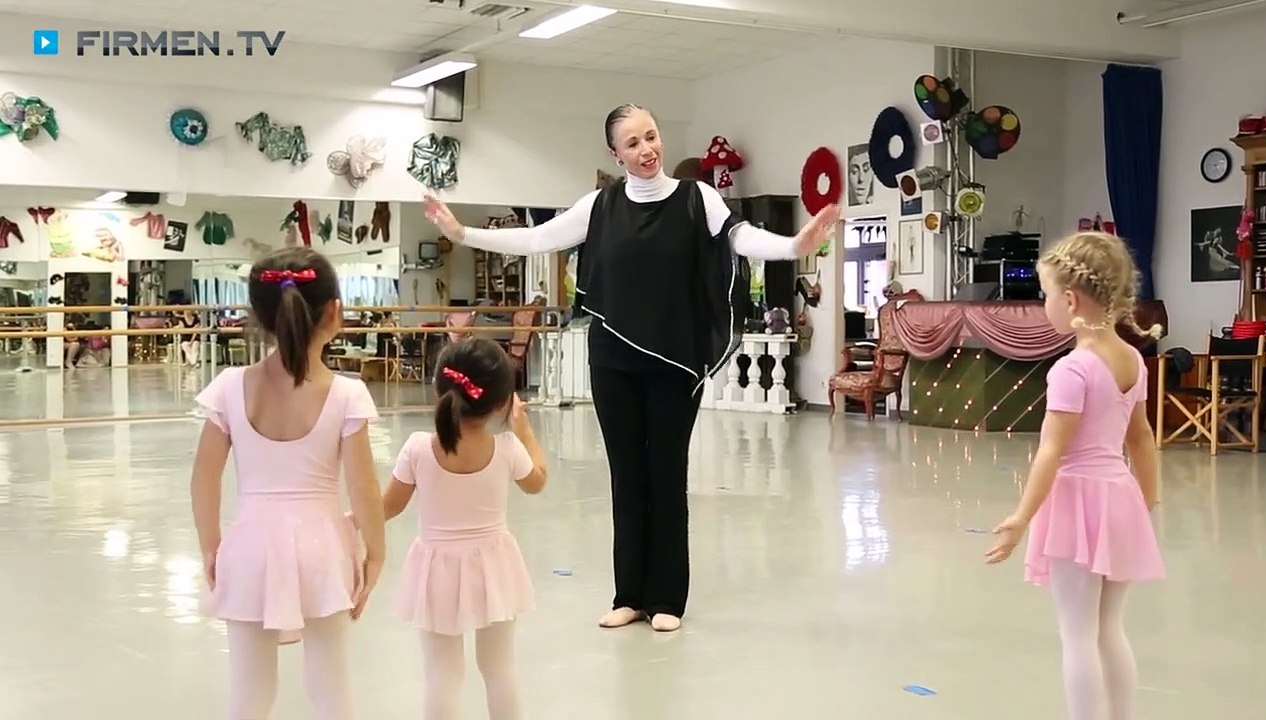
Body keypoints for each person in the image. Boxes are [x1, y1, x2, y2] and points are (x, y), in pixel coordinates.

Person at [424, 103, 839, 633]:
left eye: (651, 137)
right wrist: (463, 234)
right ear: (615, 154)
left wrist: (794, 245)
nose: (647, 150)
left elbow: (740, 239)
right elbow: (536, 238)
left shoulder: (698, 198)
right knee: (626, 475)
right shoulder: (599, 206)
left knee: (666, 475)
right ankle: (629, 594)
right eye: (633, 144)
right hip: (613, 359)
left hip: (674, 362)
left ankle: (668, 598)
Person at [189, 247, 386, 720]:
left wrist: (212, 547)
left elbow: (203, 479)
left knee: (250, 693)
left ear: (259, 316)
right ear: (335, 312)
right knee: (331, 689)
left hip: (249, 547)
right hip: (324, 548)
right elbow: (363, 489)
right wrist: (375, 553)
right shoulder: (346, 394)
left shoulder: (230, 386)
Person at [984, 232, 1164, 720]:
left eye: (1045, 295)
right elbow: (1141, 437)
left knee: (1078, 635)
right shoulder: (1131, 359)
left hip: (1077, 503)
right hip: (1120, 497)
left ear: (1069, 299)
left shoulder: (1071, 368)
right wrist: (1146, 503)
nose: (1045, 304)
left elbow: (1051, 452)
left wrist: (1021, 518)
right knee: (1110, 629)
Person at [382, 337, 548, 720]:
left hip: (436, 569)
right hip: (495, 568)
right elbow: (537, 481)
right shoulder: (507, 447)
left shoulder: (418, 448)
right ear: (502, 401)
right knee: (499, 667)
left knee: (441, 674)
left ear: (440, 388)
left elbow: (386, 508)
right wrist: (524, 431)